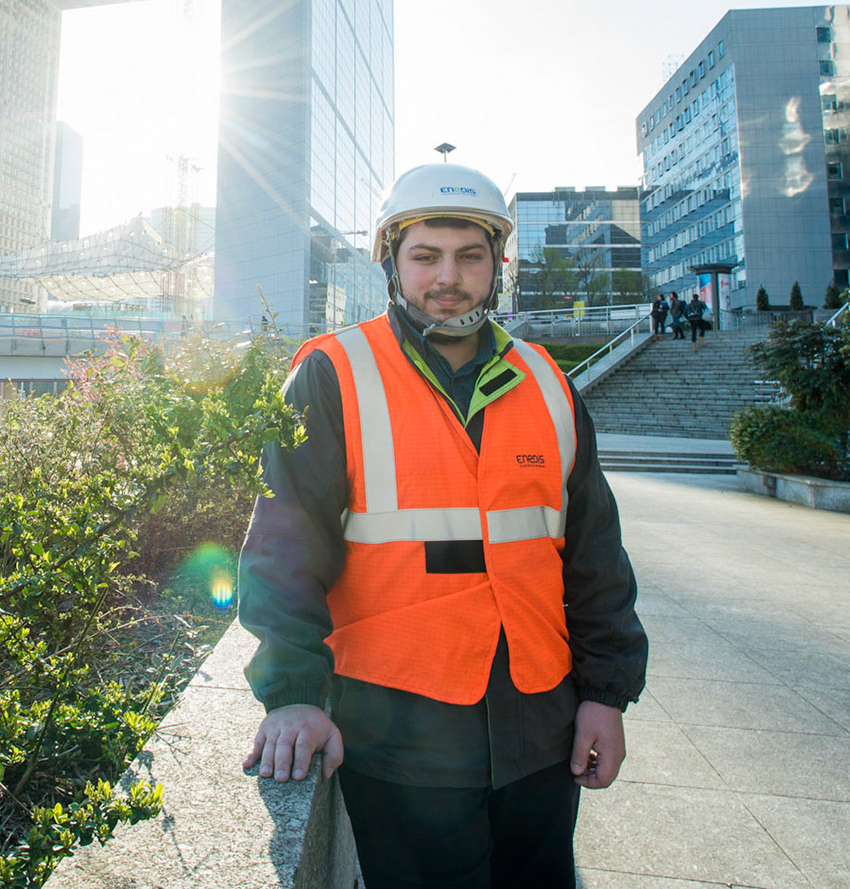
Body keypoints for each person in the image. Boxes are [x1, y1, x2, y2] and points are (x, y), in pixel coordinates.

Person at [239, 162, 648, 889]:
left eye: (469, 256)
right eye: (426, 256)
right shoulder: (333, 373)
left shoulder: (548, 381)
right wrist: (293, 694)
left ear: (498, 265)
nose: (447, 276)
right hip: (397, 732)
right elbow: (283, 545)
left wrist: (604, 695)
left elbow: (593, 555)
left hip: (541, 728)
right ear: (393, 261)